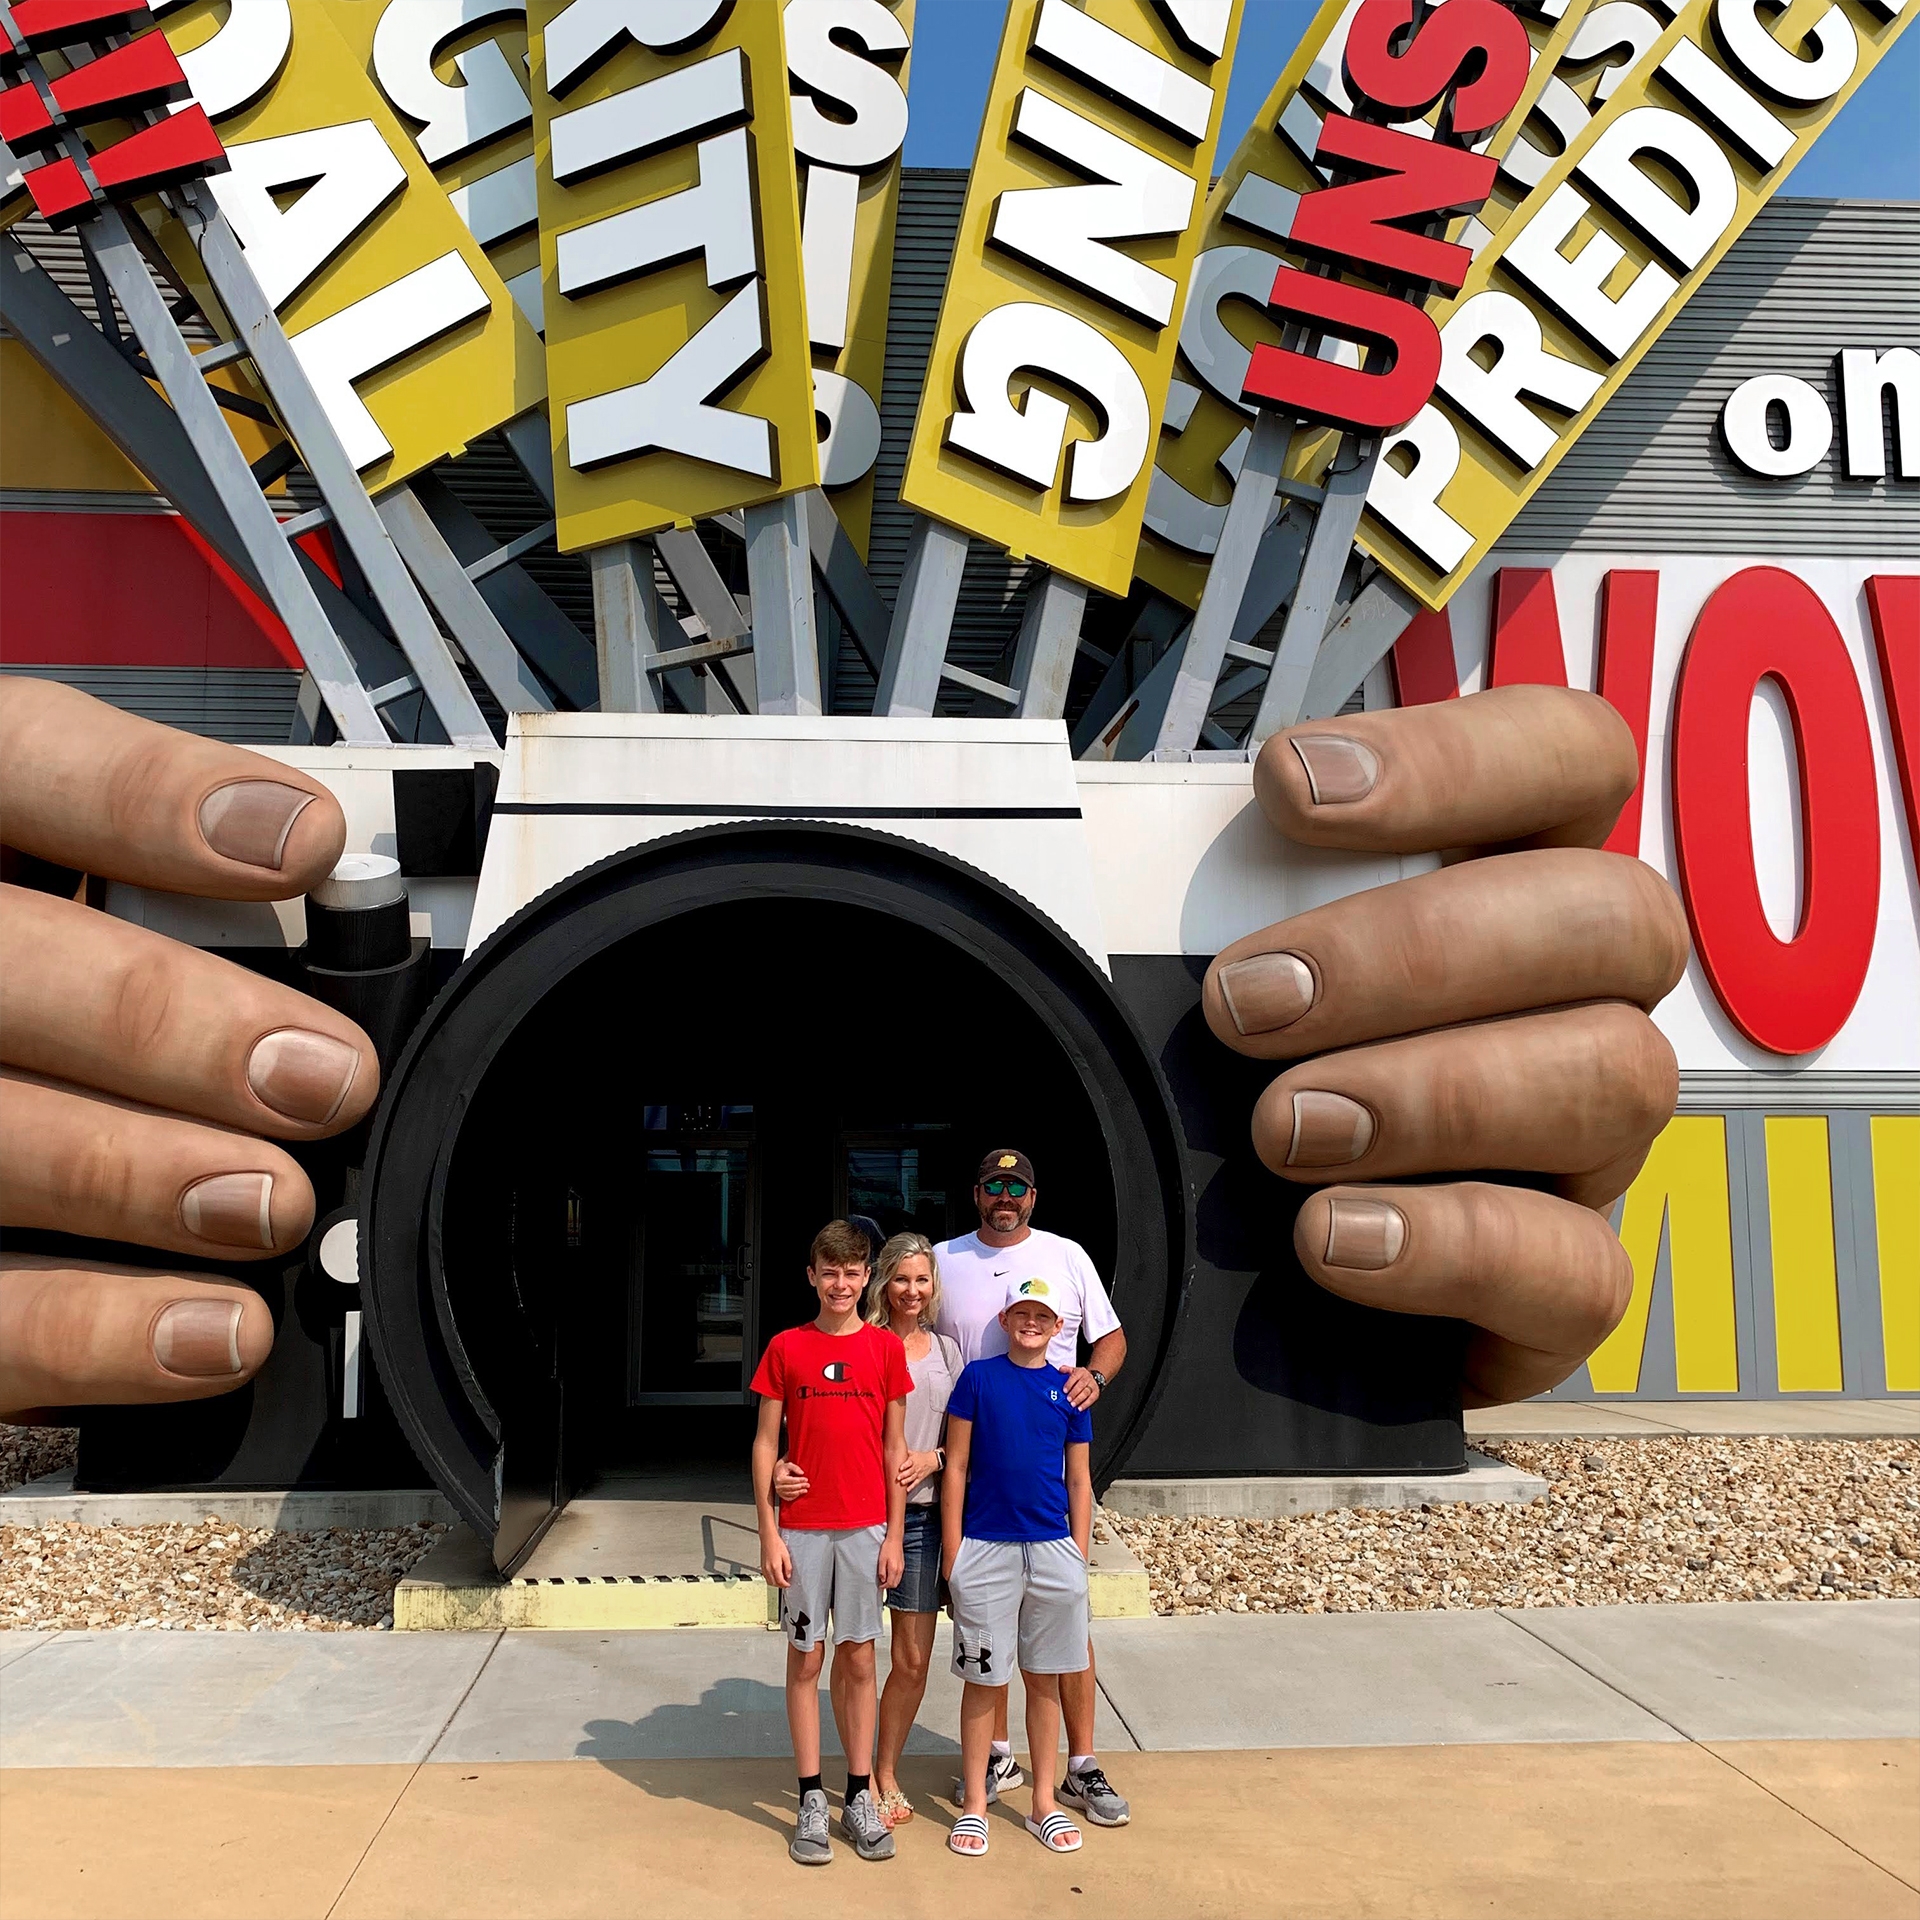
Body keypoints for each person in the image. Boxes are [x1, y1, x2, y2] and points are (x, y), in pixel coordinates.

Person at [934, 1149, 1130, 1828]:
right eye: (994, 1185)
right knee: (984, 1638)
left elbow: (1112, 1340)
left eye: (1016, 1186)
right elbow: (905, 1341)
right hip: (969, 1478)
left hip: (1049, 1477)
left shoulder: (1066, 1256)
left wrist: (1095, 1380)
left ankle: (1080, 1767)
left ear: (1033, 1196)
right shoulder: (942, 1259)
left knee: (1064, 1639)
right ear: (978, 1193)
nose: (1005, 1196)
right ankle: (993, 1756)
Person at [751, 1220, 910, 1867]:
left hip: (867, 1527)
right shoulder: (786, 1348)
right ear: (812, 1276)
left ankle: (859, 1795)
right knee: (806, 1660)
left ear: (865, 1276)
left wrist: (896, 1532)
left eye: (853, 1271)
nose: (841, 1283)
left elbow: (893, 1448)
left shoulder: (884, 1351)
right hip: (804, 1531)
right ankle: (812, 1797)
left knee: (861, 1662)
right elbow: (766, 1442)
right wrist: (767, 1526)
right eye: (830, 1271)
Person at [941, 1280, 1094, 1858]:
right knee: (984, 1678)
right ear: (1006, 1319)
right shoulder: (979, 1378)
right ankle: (977, 1805)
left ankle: (1043, 1804)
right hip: (985, 1547)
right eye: (1022, 1313)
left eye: (1043, 1316)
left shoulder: (1068, 1391)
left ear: (1059, 1327)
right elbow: (955, 1465)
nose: (1031, 1323)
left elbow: (1078, 1478)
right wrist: (954, 1551)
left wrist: (1078, 1552)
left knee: (1046, 1678)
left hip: (1054, 1549)